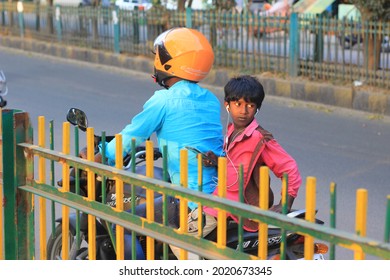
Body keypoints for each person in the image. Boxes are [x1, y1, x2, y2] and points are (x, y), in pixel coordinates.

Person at [95, 27, 224, 259]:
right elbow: (190, 138)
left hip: (191, 199)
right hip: (220, 192)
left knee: (121, 222)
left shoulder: (163, 100)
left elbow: (132, 136)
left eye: (157, 56)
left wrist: (102, 152)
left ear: (169, 62)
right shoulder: (211, 100)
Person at [170, 75, 302, 259]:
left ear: (257, 109)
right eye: (238, 104)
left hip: (227, 207)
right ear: (227, 105)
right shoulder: (233, 131)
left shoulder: (258, 138)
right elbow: (239, 167)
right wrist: (218, 161)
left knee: (178, 241)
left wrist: (285, 204)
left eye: (250, 106)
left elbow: (290, 169)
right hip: (219, 201)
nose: (244, 111)